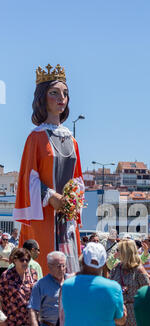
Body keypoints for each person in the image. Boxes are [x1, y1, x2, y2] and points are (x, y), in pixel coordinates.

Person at [13, 64, 84, 275]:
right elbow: (28, 179)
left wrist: (73, 198)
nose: (61, 98)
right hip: (43, 214)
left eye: (65, 93)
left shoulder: (72, 140)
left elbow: (78, 178)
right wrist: (52, 196)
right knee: (44, 266)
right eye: (54, 93)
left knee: (69, 267)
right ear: (42, 98)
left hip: (66, 216)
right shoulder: (35, 137)